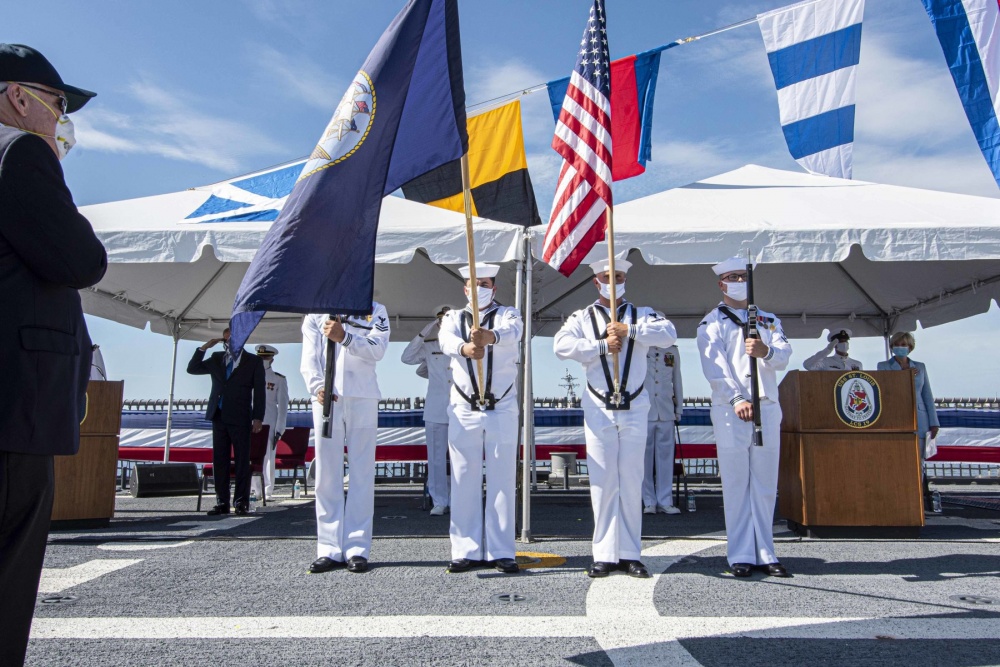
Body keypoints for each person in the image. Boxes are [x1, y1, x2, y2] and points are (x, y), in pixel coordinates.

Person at [0, 43, 105, 667]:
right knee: (10, 563)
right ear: (18, 97)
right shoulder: (21, 153)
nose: (62, 121)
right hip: (15, 398)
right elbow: (80, 260)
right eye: (58, 104)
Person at [554, 259, 676, 579]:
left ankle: (630, 553)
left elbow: (668, 333)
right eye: (607, 276)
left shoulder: (642, 313)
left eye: (619, 276)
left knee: (631, 480)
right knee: (604, 481)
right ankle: (604, 553)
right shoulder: (583, 317)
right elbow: (562, 346)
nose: (614, 281)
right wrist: (600, 345)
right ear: (597, 281)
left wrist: (629, 330)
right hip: (599, 406)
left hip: (635, 406)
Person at [696, 257, 792, 579]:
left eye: (742, 276)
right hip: (731, 409)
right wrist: (735, 397)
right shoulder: (712, 322)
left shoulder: (767, 319)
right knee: (737, 484)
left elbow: (784, 354)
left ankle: (767, 552)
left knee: (765, 485)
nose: (738, 281)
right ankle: (740, 554)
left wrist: (766, 351)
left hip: (766, 404)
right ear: (721, 284)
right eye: (731, 277)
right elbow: (715, 367)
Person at [438, 264, 523, 574]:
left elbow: (516, 332)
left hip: (501, 406)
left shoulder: (508, 314)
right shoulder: (453, 317)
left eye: (485, 284)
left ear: (494, 288)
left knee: (501, 479)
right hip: (465, 407)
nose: (479, 289)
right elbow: (445, 341)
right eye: (473, 284)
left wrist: (490, 336)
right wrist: (465, 347)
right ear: (465, 290)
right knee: (464, 479)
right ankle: (465, 549)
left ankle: (502, 551)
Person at [301, 305, 389, 574]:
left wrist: (347, 338)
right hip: (326, 397)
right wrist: (317, 385)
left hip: (362, 394)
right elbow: (309, 357)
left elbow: (378, 349)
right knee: (327, 473)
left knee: (362, 472)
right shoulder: (315, 313)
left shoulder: (375, 310)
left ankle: (357, 548)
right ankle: (328, 548)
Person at [187, 327, 266, 516]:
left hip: (240, 417)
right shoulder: (216, 358)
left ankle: (241, 502)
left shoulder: (253, 361)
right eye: (226, 341)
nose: (228, 344)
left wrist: (258, 417)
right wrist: (204, 348)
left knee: (241, 461)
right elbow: (192, 369)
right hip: (219, 415)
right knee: (220, 461)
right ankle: (221, 502)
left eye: (231, 341)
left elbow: (260, 391)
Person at [401, 306, 453, 516]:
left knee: (466, 458)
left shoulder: (466, 344)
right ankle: (439, 500)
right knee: (436, 459)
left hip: (462, 409)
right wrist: (424, 332)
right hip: (436, 409)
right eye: (441, 321)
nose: (444, 324)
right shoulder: (430, 345)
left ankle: (462, 499)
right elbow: (407, 358)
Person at [877, 332, 940, 494]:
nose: (901, 348)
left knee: (918, 462)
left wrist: (934, 422)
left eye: (904, 345)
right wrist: (905, 376)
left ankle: (917, 496)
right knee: (898, 460)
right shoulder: (883, 366)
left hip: (920, 420)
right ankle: (899, 495)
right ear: (892, 347)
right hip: (896, 419)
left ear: (910, 347)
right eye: (897, 345)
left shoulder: (920, 367)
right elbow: (886, 388)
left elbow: (927, 394)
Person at [643, 336, 684, 515]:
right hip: (645, 412)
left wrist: (679, 409)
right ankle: (648, 501)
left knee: (666, 459)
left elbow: (678, 380)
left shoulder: (672, 351)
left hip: (666, 410)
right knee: (644, 460)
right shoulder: (640, 350)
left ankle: (665, 500)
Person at [252, 345, 288, 499]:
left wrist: (280, 428)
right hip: (251, 419)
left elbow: (283, 405)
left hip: (270, 420)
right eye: (261, 358)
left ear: (272, 359)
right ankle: (254, 489)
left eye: (266, 358)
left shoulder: (278, 379)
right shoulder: (249, 376)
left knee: (268, 454)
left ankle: (267, 488)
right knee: (251, 455)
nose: (263, 360)